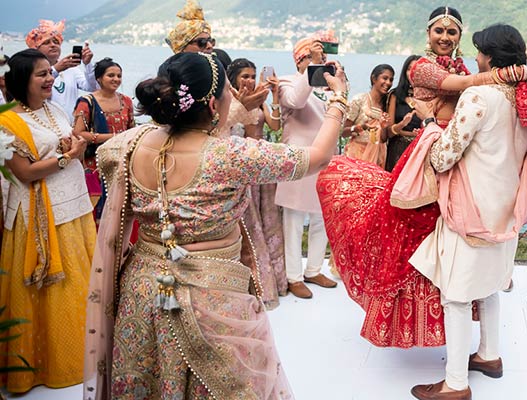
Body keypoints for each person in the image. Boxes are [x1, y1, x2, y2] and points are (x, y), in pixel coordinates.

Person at [82, 51, 348, 399]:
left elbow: (101, 157)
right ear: (212, 104)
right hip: (212, 296)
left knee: (148, 380)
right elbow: (317, 157)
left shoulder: (127, 146)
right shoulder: (231, 156)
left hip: (143, 290)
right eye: (227, 93)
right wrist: (339, 98)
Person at [314, 6, 527, 350]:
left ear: (461, 38)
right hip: (428, 158)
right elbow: (462, 86)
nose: (445, 38)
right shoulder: (421, 68)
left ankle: (454, 321)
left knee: (444, 247)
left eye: (452, 33)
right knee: (410, 237)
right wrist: (514, 72)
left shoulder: (467, 69)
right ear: (428, 34)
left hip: (457, 161)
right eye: (439, 31)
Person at [0, 48, 94, 393]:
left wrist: (72, 149)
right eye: (41, 74)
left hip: (73, 207)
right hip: (38, 214)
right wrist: (70, 157)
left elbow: (65, 143)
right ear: (20, 80)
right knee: (52, 291)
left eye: (49, 73)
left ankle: (81, 355)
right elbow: (24, 173)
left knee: (77, 284)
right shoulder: (8, 120)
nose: (50, 78)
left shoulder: (54, 108)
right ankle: (40, 367)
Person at [274, 34, 339, 299]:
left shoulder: (324, 88)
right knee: (294, 220)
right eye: (313, 58)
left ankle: (313, 269)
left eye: (322, 59)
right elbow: (296, 101)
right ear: (301, 59)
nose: (320, 63)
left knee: (321, 218)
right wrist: (313, 68)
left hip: (323, 160)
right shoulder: (285, 83)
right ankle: (293, 276)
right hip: (298, 162)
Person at [221, 58, 287, 308]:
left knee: (268, 220)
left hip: (263, 165)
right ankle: (256, 285)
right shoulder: (231, 101)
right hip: (244, 166)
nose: (249, 80)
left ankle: (277, 281)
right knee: (251, 226)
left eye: (252, 75)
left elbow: (275, 125)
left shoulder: (259, 99)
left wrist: (275, 97)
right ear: (234, 78)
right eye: (244, 76)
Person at [72, 58, 136, 226]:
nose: (116, 79)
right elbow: (78, 133)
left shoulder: (126, 101)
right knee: (98, 211)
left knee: (121, 211)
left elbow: (131, 129)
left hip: (122, 162)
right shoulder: (87, 102)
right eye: (111, 75)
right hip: (96, 164)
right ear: (99, 78)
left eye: (119, 75)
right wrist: (110, 138)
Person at [24, 19, 99, 112]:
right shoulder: (30, 69)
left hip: (71, 125)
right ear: (36, 48)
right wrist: (56, 69)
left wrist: (87, 64)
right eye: (46, 42)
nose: (53, 45)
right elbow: (31, 91)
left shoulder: (70, 68)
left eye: (56, 42)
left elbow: (92, 87)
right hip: (46, 122)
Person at [342, 64, 393, 168]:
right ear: (373, 79)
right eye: (385, 78)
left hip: (379, 156)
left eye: (391, 80)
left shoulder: (388, 105)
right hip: (357, 156)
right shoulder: (359, 100)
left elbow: (384, 138)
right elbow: (343, 132)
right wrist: (360, 128)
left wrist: (383, 127)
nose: (388, 83)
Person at [384, 55, 421, 172]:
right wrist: (404, 126)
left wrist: (422, 133)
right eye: (409, 69)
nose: (412, 72)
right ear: (405, 72)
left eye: (417, 69)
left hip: (419, 150)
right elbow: (389, 131)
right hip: (397, 150)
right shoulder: (395, 95)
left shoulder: (429, 97)